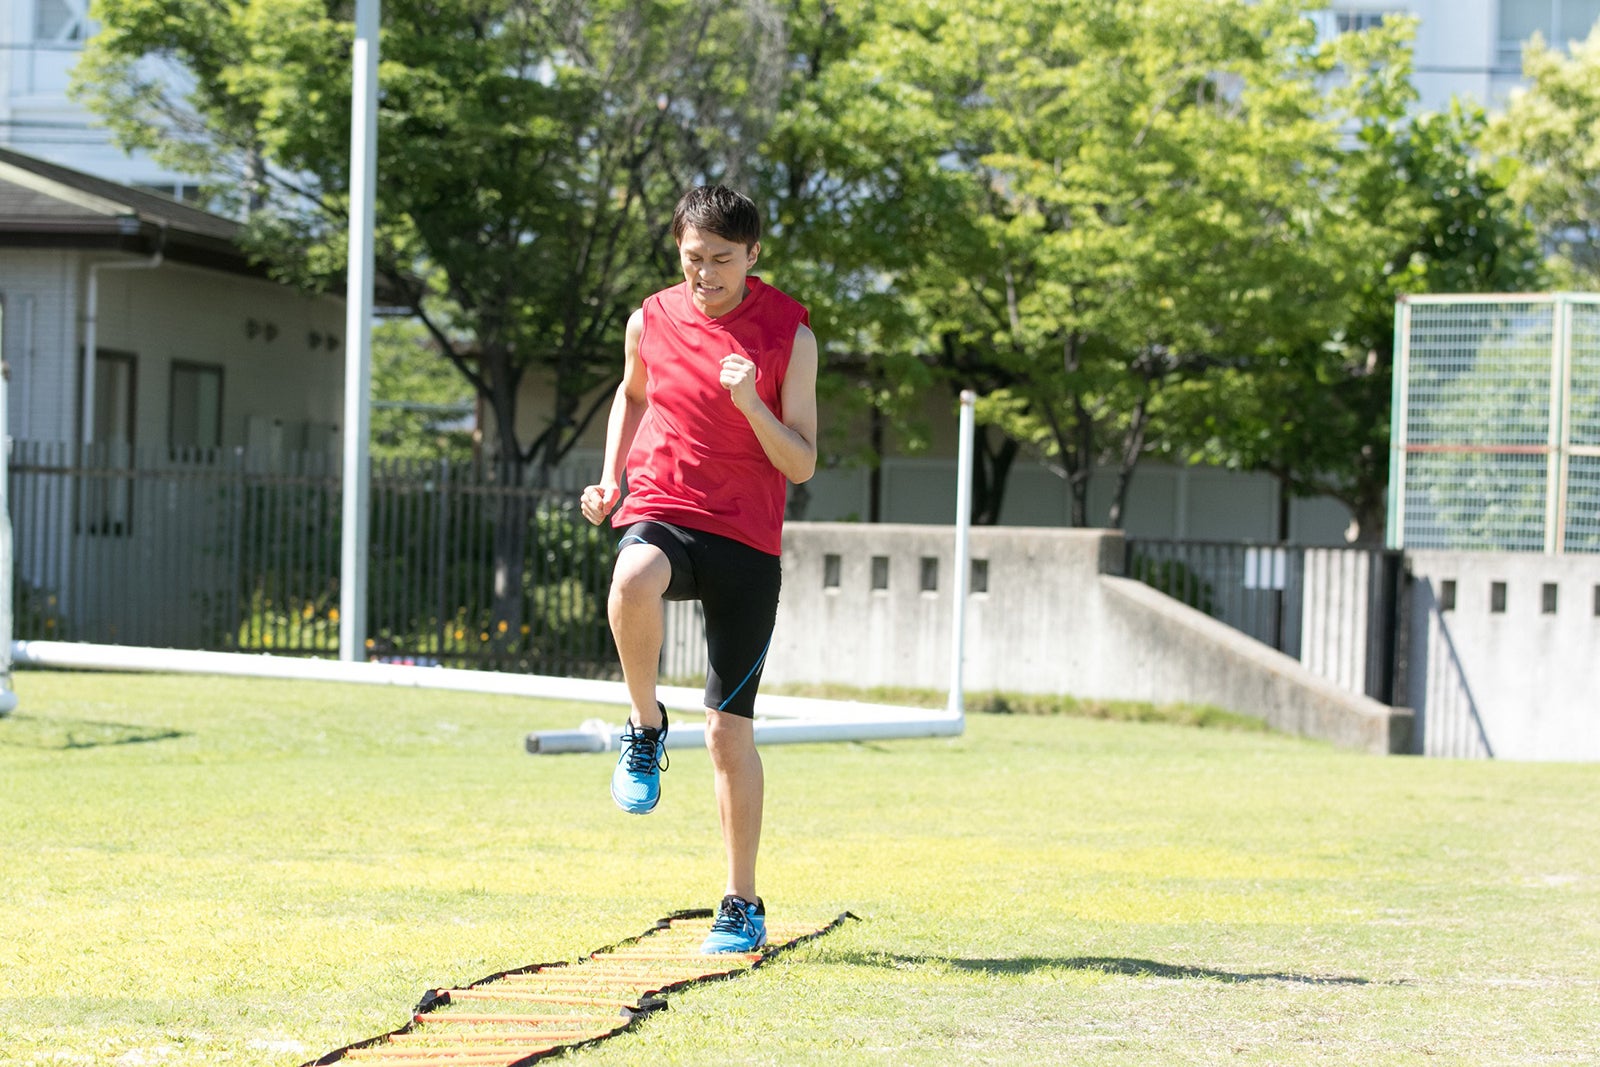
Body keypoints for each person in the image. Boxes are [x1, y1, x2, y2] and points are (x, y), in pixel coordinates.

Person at [579, 184, 818, 954]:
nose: (705, 274)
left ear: (753, 254)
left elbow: (804, 462)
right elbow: (632, 392)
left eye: (721, 260)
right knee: (630, 576)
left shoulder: (791, 334)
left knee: (726, 734)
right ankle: (644, 725)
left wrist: (752, 402)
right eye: (692, 259)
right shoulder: (649, 318)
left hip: (748, 542)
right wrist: (611, 475)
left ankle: (740, 902)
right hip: (666, 507)